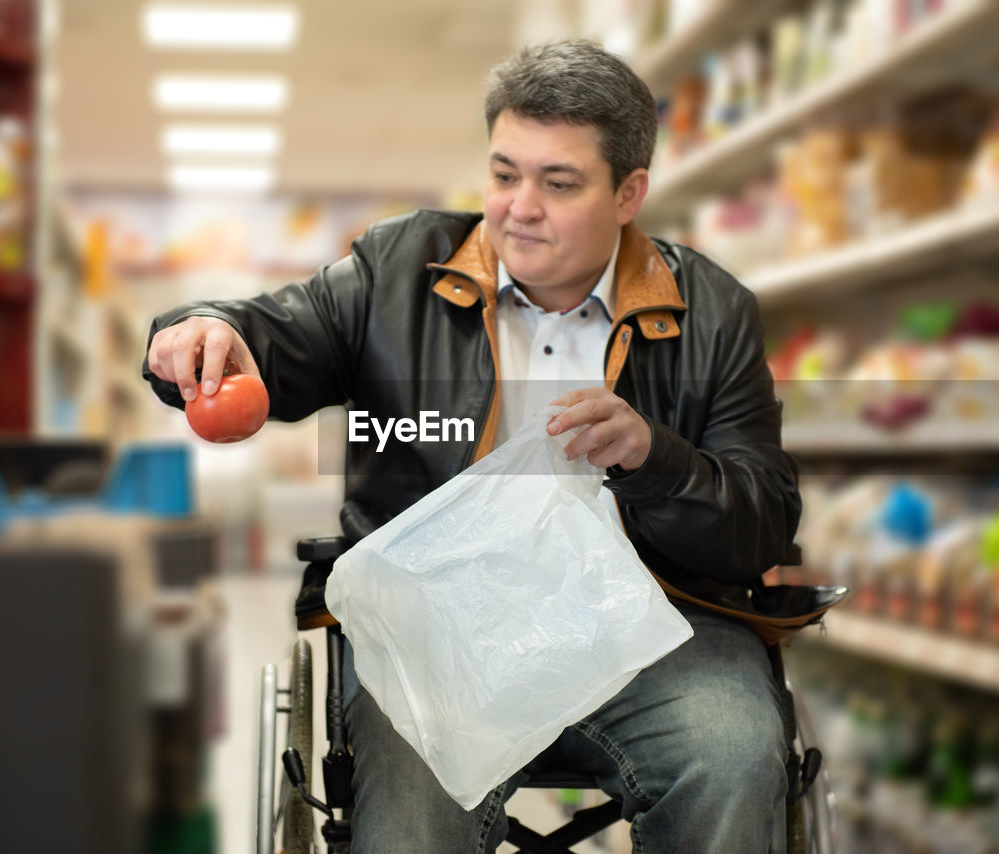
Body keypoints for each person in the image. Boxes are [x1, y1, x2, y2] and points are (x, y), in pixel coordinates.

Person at [145, 40, 801, 853]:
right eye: (503, 174)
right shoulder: (398, 271)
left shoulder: (713, 310)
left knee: (733, 749)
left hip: (652, 625)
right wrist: (208, 329)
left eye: (558, 183)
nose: (518, 207)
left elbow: (763, 520)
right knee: (410, 826)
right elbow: (277, 333)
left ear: (629, 193)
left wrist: (652, 458)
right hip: (437, 630)